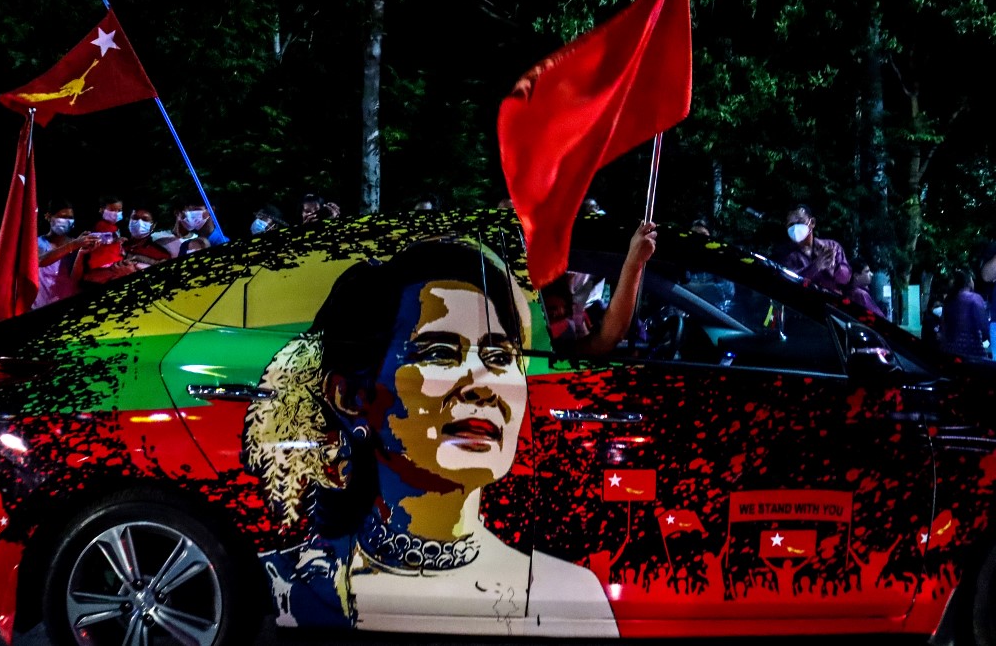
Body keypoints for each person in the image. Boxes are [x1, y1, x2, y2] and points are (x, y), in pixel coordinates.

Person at [242, 237, 615, 632]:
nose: (483, 385)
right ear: (351, 395)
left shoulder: (566, 594)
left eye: (501, 357)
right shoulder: (287, 585)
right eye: (439, 352)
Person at [542, 221, 657, 356]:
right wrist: (634, 262)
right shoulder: (542, 348)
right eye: (551, 312)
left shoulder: (562, 336)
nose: (559, 316)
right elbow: (606, 339)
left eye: (564, 312)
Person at [33, 198, 100, 309]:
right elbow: (40, 261)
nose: (67, 221)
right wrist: (73, 245)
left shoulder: (77, 243)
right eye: (62, 217)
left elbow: (74, 279)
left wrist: (81, 253)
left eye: (70, 218)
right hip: (41, 306)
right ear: (49, 217)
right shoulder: (37, 242)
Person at [781, 204, 852, 293]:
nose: (795, 228)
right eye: (791, 224)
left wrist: (834, 268)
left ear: (812, 223)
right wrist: (816, 266)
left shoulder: (832, 246)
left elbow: (845, 279)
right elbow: (789, 281)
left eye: (800, 222)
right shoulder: (787, 255)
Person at [152, 195, 229, 257]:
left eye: (196, 209)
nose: (190, 214)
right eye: (189, 210)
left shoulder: (223, 242)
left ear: (211, 210)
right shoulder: (186, 245)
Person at [940, 269, 989, 360]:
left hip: (950, 351)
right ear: (969, 282)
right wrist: (987, 341)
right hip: (972, 351)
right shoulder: (975, 298)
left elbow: (943, 326)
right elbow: (983, 326)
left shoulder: (949, 300)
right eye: (972, 279)